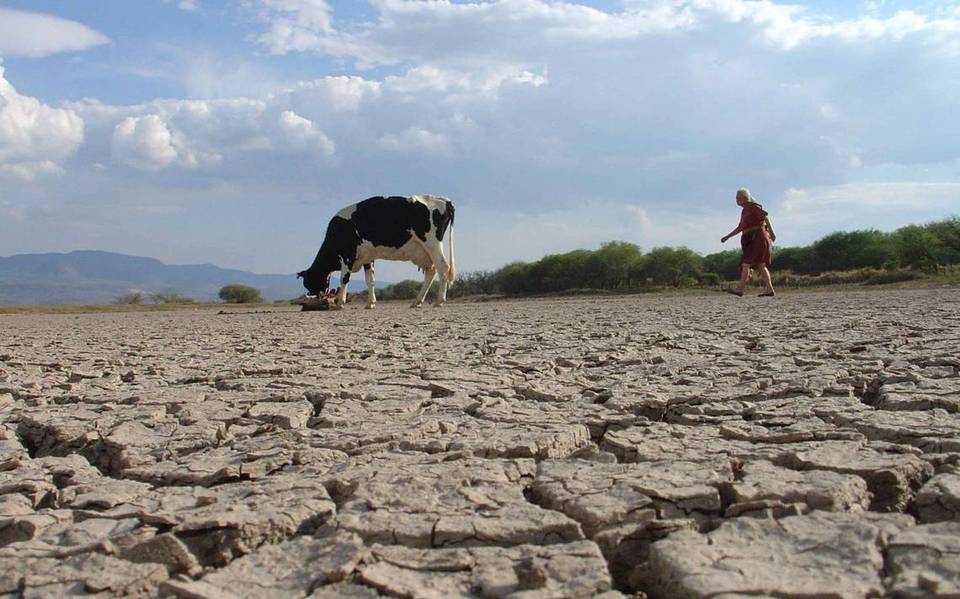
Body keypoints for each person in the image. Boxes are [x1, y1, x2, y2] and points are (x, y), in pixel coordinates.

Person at [721, 188, 776, 297]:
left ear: (745, 198)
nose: (736, 200)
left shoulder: (752, 206)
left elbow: (765, 217)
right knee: (760, 265)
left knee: (746, 263)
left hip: (758, 237)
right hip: (750, 238)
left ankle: (740, 289)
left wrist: (772, 232)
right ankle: (770, 290)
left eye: (738, 197)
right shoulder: (745, 210)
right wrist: (727, 237)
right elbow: (740, 228)